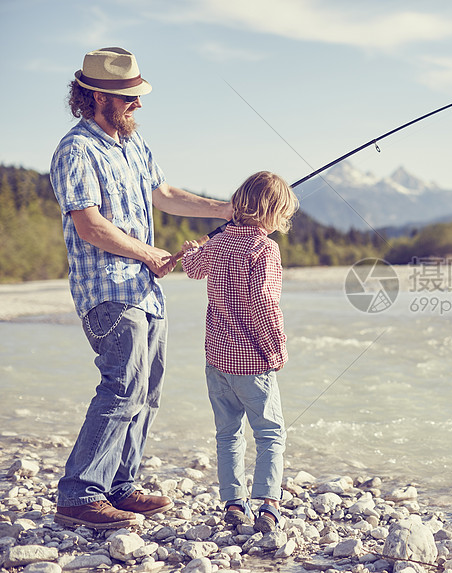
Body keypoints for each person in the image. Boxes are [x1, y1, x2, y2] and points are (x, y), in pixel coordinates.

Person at [50, 47, 233, 529]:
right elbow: (89, 225)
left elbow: (166, 195)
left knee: (147, 390)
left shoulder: (135, 146)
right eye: (127, 97)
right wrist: (149, 253)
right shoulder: (76, 150)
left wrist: (225, 209)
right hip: (106, 289)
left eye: (137, 95)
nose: (137, 104)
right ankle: (79, 494)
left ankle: (119, 485)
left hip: (145, 291)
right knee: (122, 385)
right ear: (94, 96)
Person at [180, 171, 298, 532]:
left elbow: (193, 269)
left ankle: (233, 502)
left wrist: (191, 252)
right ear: (273, 214)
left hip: (216, 360)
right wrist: (276, 350)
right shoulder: (265, 249)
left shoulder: (217, 245)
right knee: (270, 433)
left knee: (227, 432)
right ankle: (268, 505)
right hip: (251, 362)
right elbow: (264, 304)